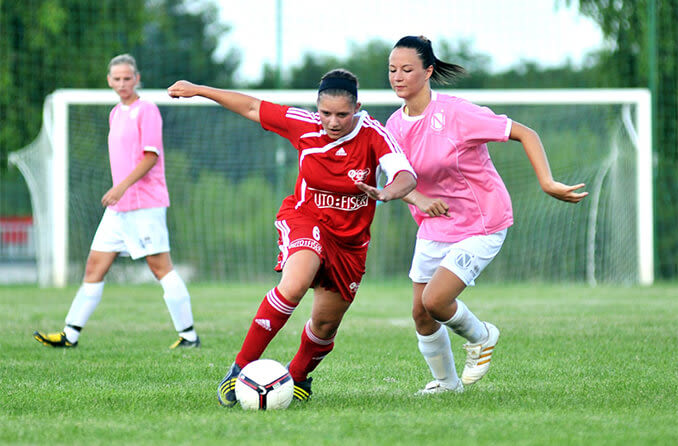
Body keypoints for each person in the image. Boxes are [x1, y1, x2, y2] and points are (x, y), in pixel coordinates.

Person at [167, 68, 417, 406]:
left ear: (357, 108)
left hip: (350, 243)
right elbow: (253, 107)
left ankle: (297, 378)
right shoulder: (304, 124)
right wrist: (199, 87)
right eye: (325, 113)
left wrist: (387, 191)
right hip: (306, 218)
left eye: (342, 114)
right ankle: (239, 369)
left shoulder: (374, 134)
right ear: (317, 109)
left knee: (326, 324)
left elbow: (405, 174)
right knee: (295, 284)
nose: (332, 121)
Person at [383, 36, 588, 394]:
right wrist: (419, 199)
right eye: (392, 70)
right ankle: (448, 386)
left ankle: (482, 336)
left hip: (481, 223)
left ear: (428, 71)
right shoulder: (394, 126)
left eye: (407, 69)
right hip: (434, 227)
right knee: (421, 314)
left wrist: (547, 182)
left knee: (435, 302)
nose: (398, 77)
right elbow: (400, 181)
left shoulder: (457, 113)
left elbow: (525, 132)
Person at [33, 54, 200, 350]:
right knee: (94, 267)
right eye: (117, 79)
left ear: (136, 79)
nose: (122, 83)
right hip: (119, 207)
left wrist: (120, 187)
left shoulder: (147, 110)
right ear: (109, 81)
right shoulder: (115, 113)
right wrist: (119, 193)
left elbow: (151, 157)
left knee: (160, 267)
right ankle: (70, 334)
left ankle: (189, 336)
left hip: (145, 204)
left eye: (127, 78)